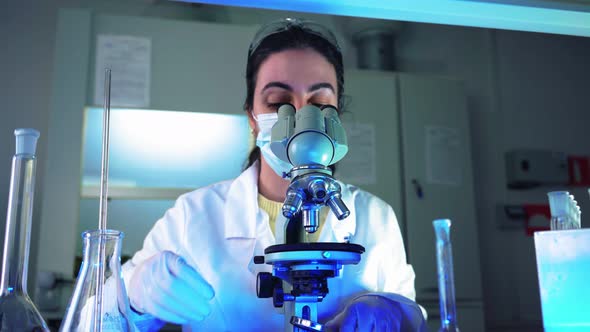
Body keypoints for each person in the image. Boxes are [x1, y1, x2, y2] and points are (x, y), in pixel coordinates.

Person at [123, 18, 427, 331]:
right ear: (252, 119)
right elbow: (98, 320)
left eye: (320, 103)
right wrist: (135, 295)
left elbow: (411, 315)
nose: (300, 118)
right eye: (279, 103)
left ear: (337, 116)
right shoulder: (193, 215)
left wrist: (393, 312)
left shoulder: (375, 217)